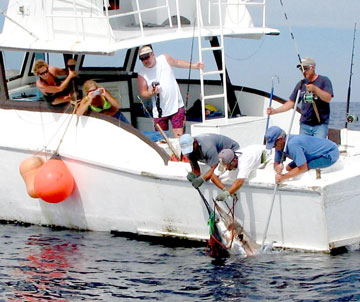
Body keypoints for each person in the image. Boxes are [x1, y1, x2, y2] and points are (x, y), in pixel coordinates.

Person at [137, 44, 204, 138]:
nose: (145, 61)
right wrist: (151, 93)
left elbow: (177, 62)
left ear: (152, 54)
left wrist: (194, 66)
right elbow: (143, 93)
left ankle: (181, 152)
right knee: (162, 139)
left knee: (179, 136)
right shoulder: (141, 73)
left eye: (146, 57)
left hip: (176, 107)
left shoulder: (164, 58)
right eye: (142, 59)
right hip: (159, 112)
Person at [267, 57, 333, 138]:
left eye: (306, 68)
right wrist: (275, 111)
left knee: (317, 148)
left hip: (320, 125)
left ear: (313, 68)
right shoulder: (301, 84)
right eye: (301, 69)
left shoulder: (324, 80)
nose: (304, 72)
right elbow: (291, 103)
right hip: (305, 125)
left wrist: (315, 89)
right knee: (304, 147)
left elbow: (328, 98)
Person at [265, 126, 339, 184]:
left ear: (281, 139)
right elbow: (276, 163)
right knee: (288, 168)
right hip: (309, 155)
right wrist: (277, 167)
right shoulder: (279, 145)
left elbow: (303, 167)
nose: (274, 147)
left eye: (274, 145)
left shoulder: (292, 145)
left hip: (328, 153)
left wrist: (283, 177)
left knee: (306, 167)